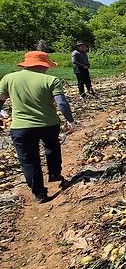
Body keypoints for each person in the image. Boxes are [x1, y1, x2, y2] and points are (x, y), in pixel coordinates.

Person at [0, 51, 76, 203]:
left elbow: (0, 101)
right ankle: (54, 173)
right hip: (48, 124)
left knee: (28, 159)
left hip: (21, 127)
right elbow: (61, 103)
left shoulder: (9, 78)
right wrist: (70, 120)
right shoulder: (51, 80)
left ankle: (39, 193)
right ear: (44, 65)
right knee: (52, 147)